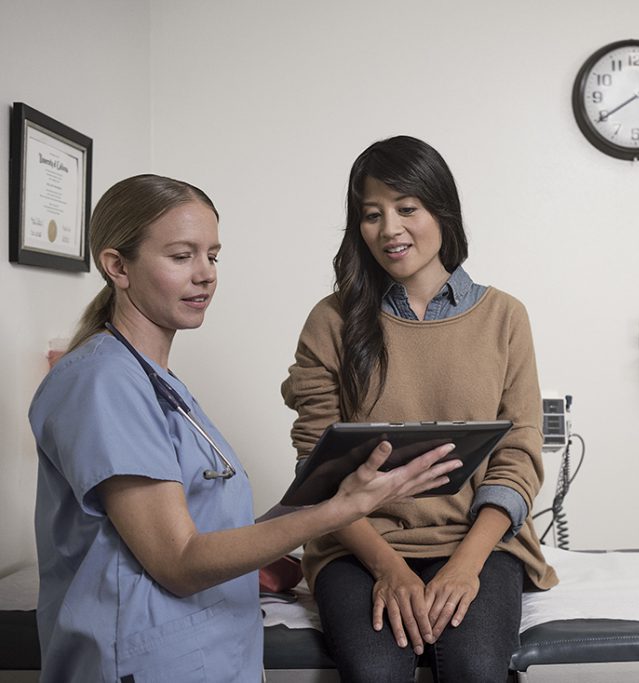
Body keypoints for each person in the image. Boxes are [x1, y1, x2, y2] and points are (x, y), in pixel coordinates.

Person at [28, 174, 461, 683]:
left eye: (212, 256)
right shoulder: (104, 383)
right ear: (118, 266)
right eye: (181, 256)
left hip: (210, 657)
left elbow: (212, 533)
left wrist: (323, 495)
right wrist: (340, 511)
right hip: (148, 665)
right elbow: (180, 560)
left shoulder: (154, 381)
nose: (205, 275)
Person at [281, 136, 558, 683]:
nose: (389, 230)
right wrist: (389, 568)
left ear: (442, 212)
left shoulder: (504, 317)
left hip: (477, 540)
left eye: (407, 209)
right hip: (356, 542)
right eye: (371, 215)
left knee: (477, 667)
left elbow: (519, 455)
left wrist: (466, 564)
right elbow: (319, 466)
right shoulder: (331, 320)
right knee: (374, 670)